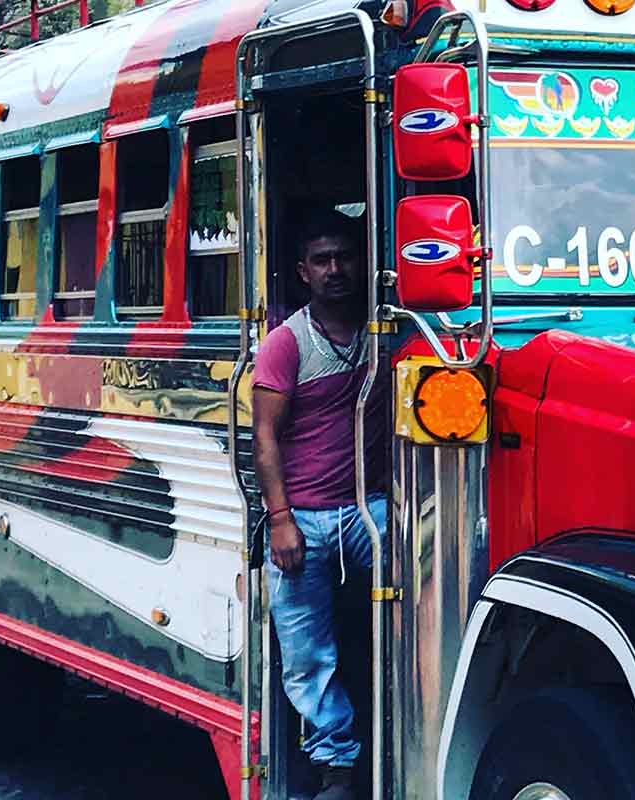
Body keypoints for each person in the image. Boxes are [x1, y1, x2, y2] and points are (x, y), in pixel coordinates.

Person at [252, 209, 389, 800]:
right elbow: (263, 436)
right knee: (307, 653)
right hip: (303, 516)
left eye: (345, 257)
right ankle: (336, 767)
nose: (335, 269)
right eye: (322, 260)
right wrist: (280, 521)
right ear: (302, 273)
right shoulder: (286, 344)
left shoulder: (386, 333)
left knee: (426, 600)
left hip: (371, 512)